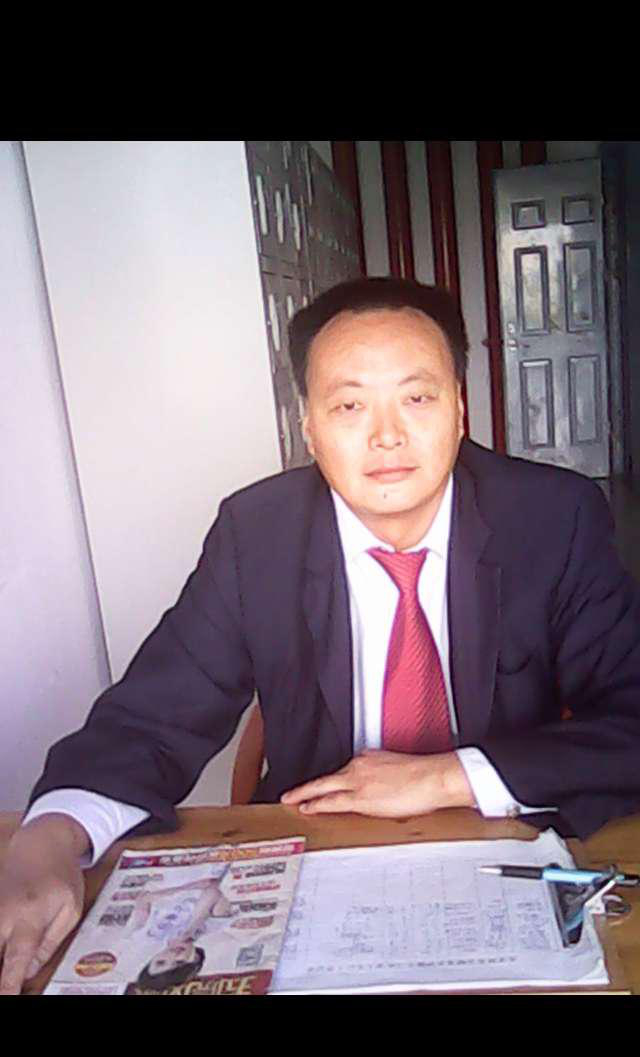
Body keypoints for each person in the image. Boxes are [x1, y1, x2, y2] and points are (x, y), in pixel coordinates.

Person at [2, 276, 640, 996]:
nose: (387, 435)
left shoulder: (553, 517)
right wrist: (51, 836)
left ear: (460, 410)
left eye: (417, 398)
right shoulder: (257, 534)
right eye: (349, 406)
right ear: (308, 428)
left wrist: (445, 776)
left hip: (507, 856)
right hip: (317, 867)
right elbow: (155, 716)